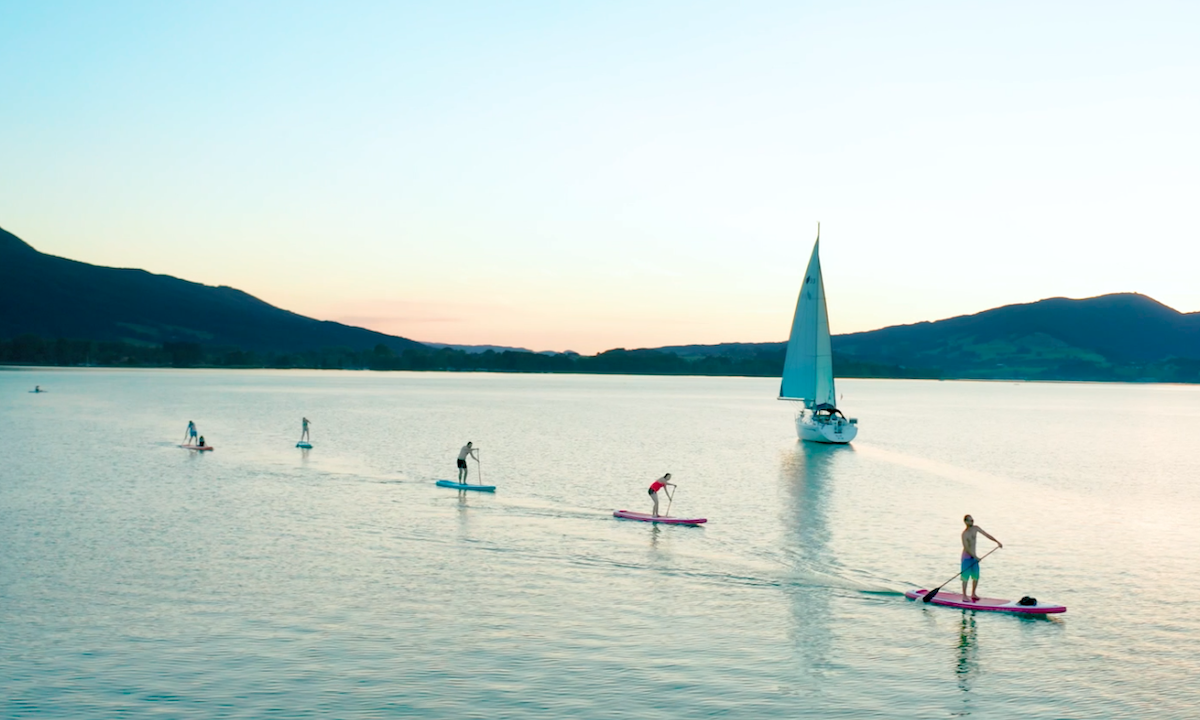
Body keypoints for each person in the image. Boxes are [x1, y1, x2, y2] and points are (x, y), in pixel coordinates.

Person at [961, 514, 1002, 601]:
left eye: (972, 520)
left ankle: (973, 594)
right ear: (966, 522)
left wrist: (997, 542)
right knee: (965, 577)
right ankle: (964, 596)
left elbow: (987, 535)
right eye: (970, 520)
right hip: (966, 558)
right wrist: (975, 557)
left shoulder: (976, 528)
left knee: (976, 576)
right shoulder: (964, 534)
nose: (972, 522)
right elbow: (966, 548)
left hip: (974, 557)